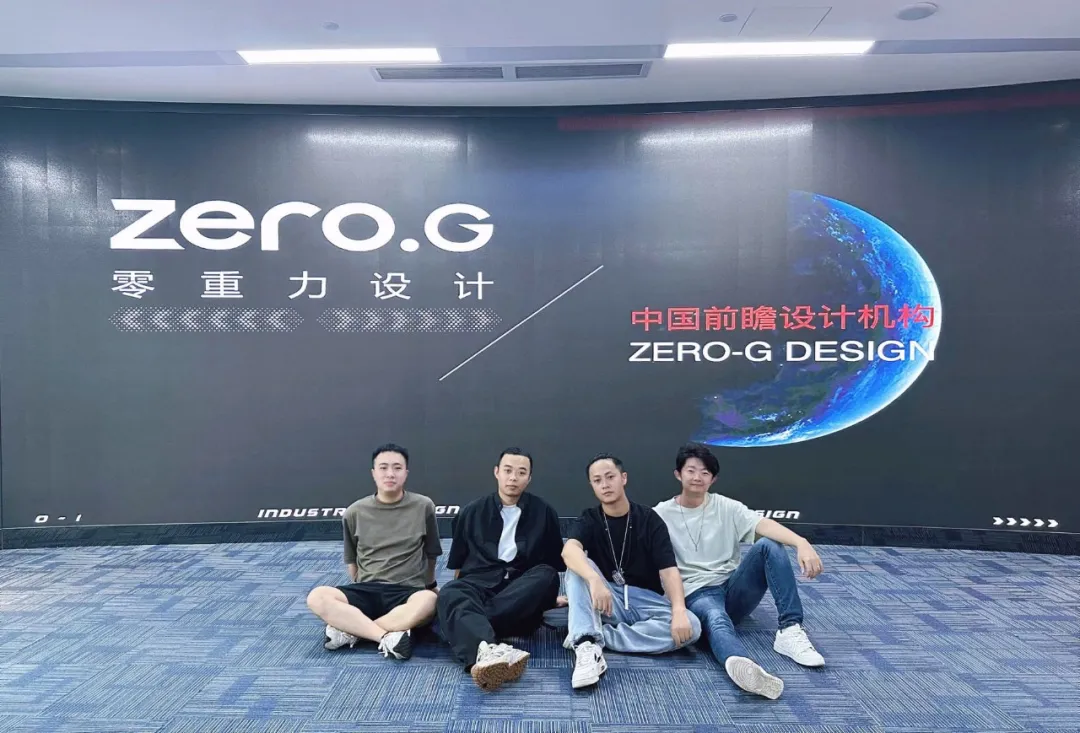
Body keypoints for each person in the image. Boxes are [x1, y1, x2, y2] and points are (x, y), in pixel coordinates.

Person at [654, 443, 826, 700]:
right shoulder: (660, 514)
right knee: (716, 618)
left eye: (705, 472)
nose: (698, 477)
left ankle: (790, 629)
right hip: (697, 592)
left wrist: (801, 542)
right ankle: (743, 667)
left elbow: (763, 524)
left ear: (713, 479)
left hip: (733, 587)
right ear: (678, 474)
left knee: (769, 545)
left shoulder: (726, 507)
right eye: (691, 470)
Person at [561, 453, 702, 689]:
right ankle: (585, 645)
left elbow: (669, 571)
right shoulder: (590, 518)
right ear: (592, 485)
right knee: (577, 566)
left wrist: (679, 610)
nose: (605, 485)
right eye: (597, 480)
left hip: (646, 600)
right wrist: (595, 580)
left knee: (693, 626)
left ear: (623, 478)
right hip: (608, 599)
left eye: (610, 477)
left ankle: (598, 636)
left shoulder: (649, 519)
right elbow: (569, 550)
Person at [436, 447, 565, 690]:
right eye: (507, 470)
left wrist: (546, 598)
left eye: (521, 472)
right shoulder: (472, 511)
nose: (513, 478)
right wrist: (459, 590)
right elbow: (459, 567)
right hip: (481, 585)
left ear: (529, 478)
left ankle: (470, 626)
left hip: (520, 596)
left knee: (546, 575)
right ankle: (489, 651)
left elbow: (553, 565)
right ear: (496, 472)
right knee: (451, 591)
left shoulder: (544, 512)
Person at [306, 443, 442, 661]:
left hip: (406, 591)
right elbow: (352, 561)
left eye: (397, 468)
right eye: (383, 467)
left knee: (429, 601)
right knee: (318, 596)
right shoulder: (354, 512)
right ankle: (384, 636)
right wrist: (360, 586)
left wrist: (430, 585)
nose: (390, 474)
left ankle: (352, 631)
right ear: (373, 473)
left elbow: (431, 553)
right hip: (366, 589)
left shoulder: (423, 506)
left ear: (406, 473)